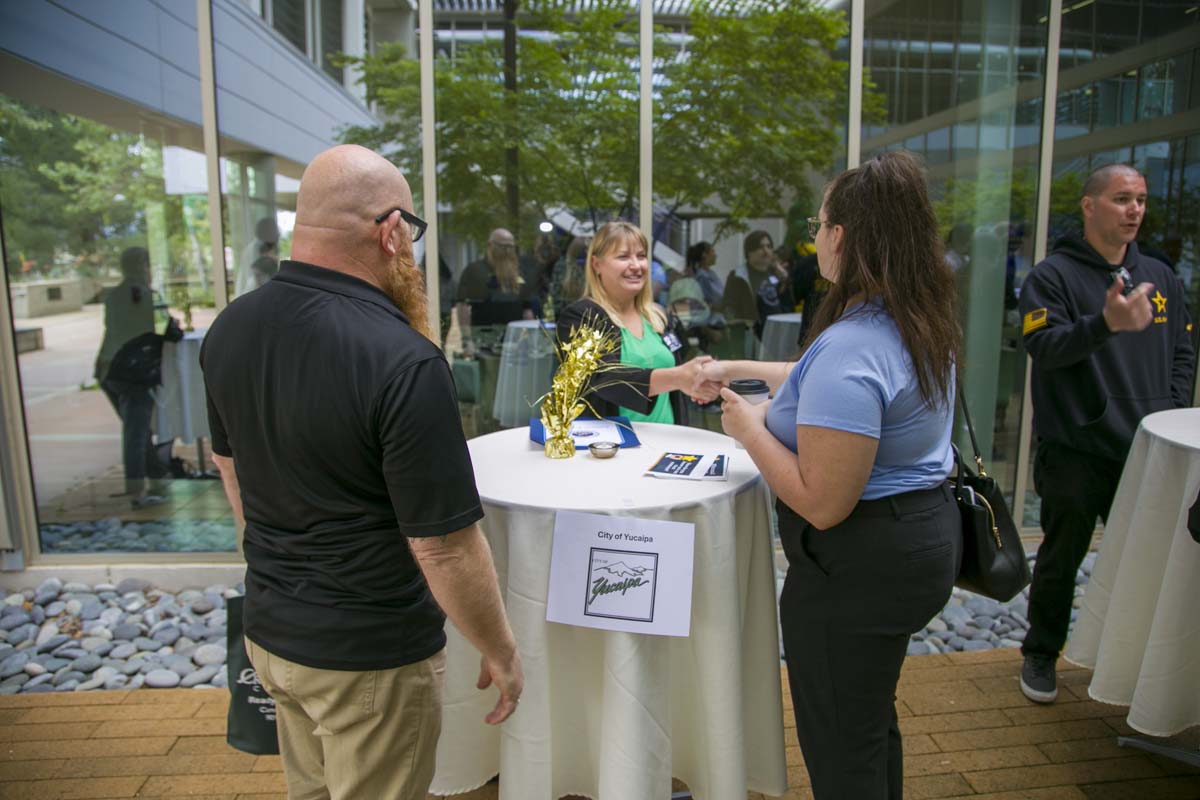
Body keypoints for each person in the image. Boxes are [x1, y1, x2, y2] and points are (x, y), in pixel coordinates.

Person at [200, 144, 523, 799]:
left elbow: (228, 465)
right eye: (413, 234)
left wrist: (284, 563)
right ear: (391, 231)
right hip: (369, 657)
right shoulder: (404, 359)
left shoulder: (229, 329)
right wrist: (502, 650)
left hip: (273, 636)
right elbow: (444, 545)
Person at [701, 151, 962, 799]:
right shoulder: (914, 320)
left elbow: (821, 502)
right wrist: (747, 371)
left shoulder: (853, 343)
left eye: (818, 225)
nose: (814, 238)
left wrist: (748, 428)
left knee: (843, 742)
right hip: (920, 540)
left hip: (858, 569)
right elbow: (833, 394)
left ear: (841, 236)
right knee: (868, 718)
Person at [1017, 163, 1194, 705]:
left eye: (1140, 199)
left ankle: (1129, 661)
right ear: (1090, 206)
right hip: (1075, 451)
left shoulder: (1160, 277)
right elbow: (1044, 348)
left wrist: (1169, 415)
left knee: (1144, 565)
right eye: (1121, 199)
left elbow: (1183, 354)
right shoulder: (1051, 277)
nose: (1135, 209)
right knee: (1060, 559)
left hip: (1146, 453)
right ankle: (1041, 654)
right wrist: (1105, 325)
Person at [556, 221, 719, 425]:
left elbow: (679, 368)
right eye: (623, 256)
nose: (636, 265)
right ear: (596, 264)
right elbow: (602, 378)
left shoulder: (659, 317)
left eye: (641, 256)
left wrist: (698, 382)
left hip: (668, 443)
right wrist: (678, 377)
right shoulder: (580, 317)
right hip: (611, 449)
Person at [94, 246, 177, 509]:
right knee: (136, 433)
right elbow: (167, 329)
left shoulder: (115, 295)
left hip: (109, 370)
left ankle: (158, 476)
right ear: (142, 266)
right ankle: (136, 492)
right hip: (131, 372)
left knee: (138, 429)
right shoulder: (143, 296)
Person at [455, 228, 537, 347]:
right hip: (484, 338)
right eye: (502, 247)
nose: (507, 251)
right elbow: (463, 306)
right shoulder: (475, 271)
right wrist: (467, 339)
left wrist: (531, 338)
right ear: (490, 245)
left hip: (515, 340)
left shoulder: (519, 273)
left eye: (510, 247)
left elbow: (527, 308)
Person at [722, 229, 793, 338]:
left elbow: (788, 303)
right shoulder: (738, 276)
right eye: (761, 247)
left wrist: (785, 282)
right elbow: (729, 308)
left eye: (769, 247)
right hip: (750, 335)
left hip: (777, 332)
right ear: (749, 252)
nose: (766, 251)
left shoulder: (777, 274)